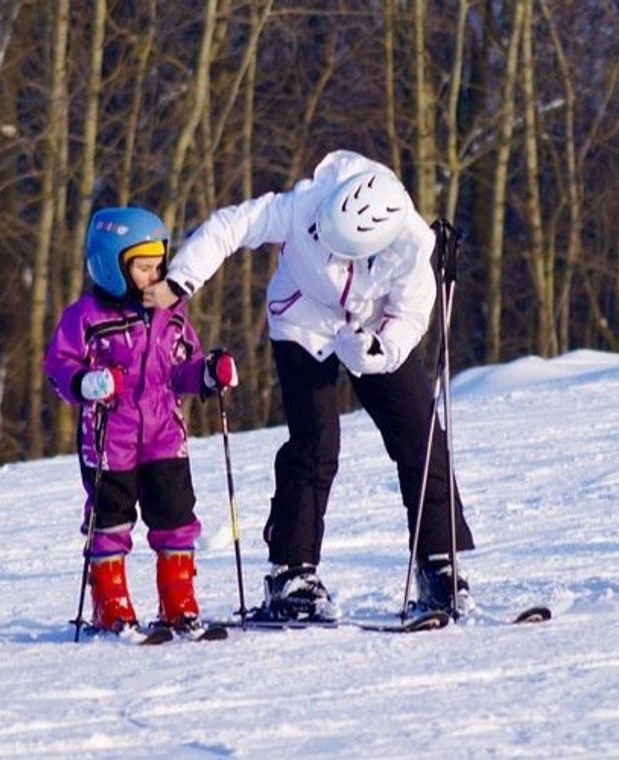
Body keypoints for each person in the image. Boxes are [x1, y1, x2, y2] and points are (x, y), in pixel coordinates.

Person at [142, 150, 475, 622]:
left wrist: (381, 349)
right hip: (302, 321)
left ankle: (439, 563)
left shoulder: (414, 246)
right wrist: (181, 280)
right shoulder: (306, 205)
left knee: (421, 438)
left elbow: (413, 314)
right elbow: (231, 226)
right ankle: (291, 573)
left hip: (372, 326)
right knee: (316, 443)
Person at [45, 206, 238, 633]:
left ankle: (179, 603)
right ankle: (111, 606)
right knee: (111, 520)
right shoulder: (86, 318)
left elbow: (180, 369)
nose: (155, 276)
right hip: (109, 441)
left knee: (175, 516)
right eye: (143, 267)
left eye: (158, 266)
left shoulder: (170, 314)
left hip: (164, 436)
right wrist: (85, 382)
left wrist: (208, 373)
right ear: (111, 267)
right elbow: (59, 367)